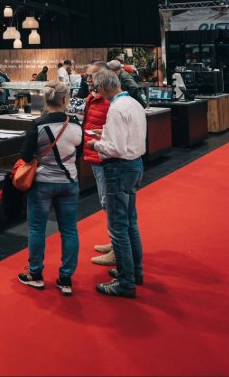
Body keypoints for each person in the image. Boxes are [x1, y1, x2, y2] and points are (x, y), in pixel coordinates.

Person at [16, 81, 83, 296]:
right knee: (69, 230)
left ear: (47, 100)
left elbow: (25, 155)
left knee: (37, 229)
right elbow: (78, 154)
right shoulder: (76, 124)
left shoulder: (38, 124)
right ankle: (66, 278)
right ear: (65, 99)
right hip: (69, 182)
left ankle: (35, 274)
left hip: (42, 183)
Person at [87, 69, 147, 298]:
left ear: (103, 87)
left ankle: (125, 282)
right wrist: (105, 133)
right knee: (130, 223)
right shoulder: (133, 103)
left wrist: (96, 145)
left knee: (118, 228)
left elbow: (116, 148)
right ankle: (134, 272)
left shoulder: (116, 108)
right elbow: (128, 136)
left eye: (97, 88)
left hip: (119, 168)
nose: (97, 92)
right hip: (135, 165)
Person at [81, 62, 115, 266]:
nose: (87, 79)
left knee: (109, 203)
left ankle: (117, 249)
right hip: (94, 155)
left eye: (91, 76)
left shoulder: (109, 101)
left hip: (104, 157)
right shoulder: (93, 96)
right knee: (106, 202)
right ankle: (114, 243)